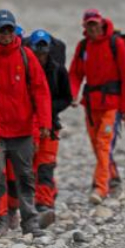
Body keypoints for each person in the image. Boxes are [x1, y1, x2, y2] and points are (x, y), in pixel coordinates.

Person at [0, 10, 52, 236]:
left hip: (22, 131)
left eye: (10, 29)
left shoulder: (25, 55)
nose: (7, 34)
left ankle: (29, 221)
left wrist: (44, 123)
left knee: (25, 177)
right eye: (2, 29)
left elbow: (40, 90)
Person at [69, 9, 125, 203]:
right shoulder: (83, 47)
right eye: (89, 25)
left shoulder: (117, 44)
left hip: (112, 104)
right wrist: (73, 94)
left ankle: (100, 187)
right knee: (97, 146)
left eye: (95, 24)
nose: (93, 28)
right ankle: (114, 180)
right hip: (91, 104)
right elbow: (75, 73)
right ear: (85, 27)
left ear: (101, 23)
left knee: (104, 144)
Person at [30, 29, 72, 224]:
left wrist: (47, 109)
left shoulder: (58, 70)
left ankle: (44, 204)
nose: (40, 55)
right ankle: (41, 199)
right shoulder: (25, 69)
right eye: (36, 51)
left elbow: (67, 97)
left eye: (43, 51)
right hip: (29, 125)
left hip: (50, 126)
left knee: (45, 164)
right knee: (30, 166)